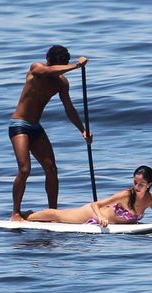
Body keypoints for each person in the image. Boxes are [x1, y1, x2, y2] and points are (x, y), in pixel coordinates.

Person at [9, 45, 92, 221]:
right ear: (49, 62)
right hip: (19, 125)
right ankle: (15, 212)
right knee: (24, 169)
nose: (59, 72)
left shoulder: (61, 83)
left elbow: (69, 108)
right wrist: (77, 66)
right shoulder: (36, 69)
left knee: (52, 169)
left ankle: (52, 212)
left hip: (35, 127)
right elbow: (48, 71)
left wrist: (83, 130)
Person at [25, 165, 152, 226]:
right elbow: (96, 204)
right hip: (92, 214)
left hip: (106, 221)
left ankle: (35, 216)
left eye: (141, 184)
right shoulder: (126, 194)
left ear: (149, 184)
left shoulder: (151, 200)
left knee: (58, 219)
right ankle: (26, 217)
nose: (136, 187)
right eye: (135, 182)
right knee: (57, 216)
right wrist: (100, 217)